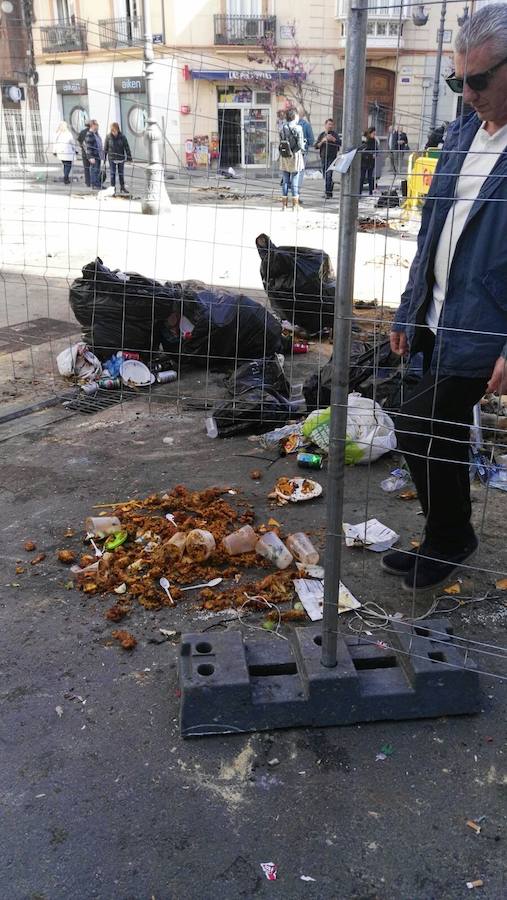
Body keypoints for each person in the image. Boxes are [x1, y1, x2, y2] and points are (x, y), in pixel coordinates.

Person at [383, 2, 507, 592]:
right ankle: (443, 536)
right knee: (442, 429)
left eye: (480, 80)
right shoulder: (461, 132)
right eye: (460, 80)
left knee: (416, 421)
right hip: (438, 316)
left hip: (487, 325)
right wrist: (410, 309)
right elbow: (431, 228)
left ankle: (450, 537)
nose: (468, 93)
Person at [278, 108, 305, 210]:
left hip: (285, 155)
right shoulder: (298, 128)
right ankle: (295, 205)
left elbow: (282, 141)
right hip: (295, 156)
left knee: (285, 180)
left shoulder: (282, 127)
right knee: (295, 179)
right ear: (294, 116)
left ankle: (284, 206)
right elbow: (301, 145)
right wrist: (304, 144)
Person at [315, 118, 341, 198]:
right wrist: (323, 141)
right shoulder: (322, 135)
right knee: (325, 175)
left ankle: (327, 193)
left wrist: (333, 139)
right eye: (329, 124)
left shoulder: (335, 134)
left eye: (332, 125)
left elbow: (339, 143)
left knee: (328, 174)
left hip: (332, 157)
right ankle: (329, 189)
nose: (330, 126)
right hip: (323, 157)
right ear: (325, 125)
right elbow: (316, 146)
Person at [104, 122, 132, 195]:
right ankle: (112, 189)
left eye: (115, 131)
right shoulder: (108, 137)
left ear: (118, 129)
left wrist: (129, 158)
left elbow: (127, 147)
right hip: (112, 158)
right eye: (112, 131)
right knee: (112, 174)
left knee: (121, 174)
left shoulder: (122, 136)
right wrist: (104, 159)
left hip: (120, 158)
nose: (114, 133)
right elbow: (105, 148)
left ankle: (122, 187)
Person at [298, 110, 315, 200]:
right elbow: (312, 141)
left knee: (288, 175)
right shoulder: (306, 125)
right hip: (301, 153)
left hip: (289, 154)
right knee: (299, 174)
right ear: (304, 115)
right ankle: (297, 196)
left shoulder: (288, 124)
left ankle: (285, 195)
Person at [84, 120, 104, 190]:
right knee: (94, 170)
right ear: (93, 125)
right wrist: (90, 157)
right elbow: (89, 147)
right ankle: (95, 184)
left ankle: (97, 183)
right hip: (94, 156)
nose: (98, 126)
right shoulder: (89, 134)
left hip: (98, 155)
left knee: (97, 170)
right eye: (96, 125)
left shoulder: (95, 134)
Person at [359, 126, 379, 195]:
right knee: (362, 177)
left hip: (371, 162)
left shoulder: (374, 141)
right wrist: (370, 155)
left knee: (370, 177)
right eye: (373, 134)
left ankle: (371, 192)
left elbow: (376, 150)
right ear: (369, 133)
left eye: (375, 134)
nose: (374, 135)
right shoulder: (364, 140)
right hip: (364, 161)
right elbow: (362, 150)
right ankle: (359, 192)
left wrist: (375, 154)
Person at [77, 120, 91, 187]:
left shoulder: (82, 132)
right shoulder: (93, 132)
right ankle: (93, 181)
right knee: (94, 168)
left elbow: (79, 141)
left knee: (86, 168)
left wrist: (82, 147)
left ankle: (87, 182)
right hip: (92, 153)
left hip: (84, 153)